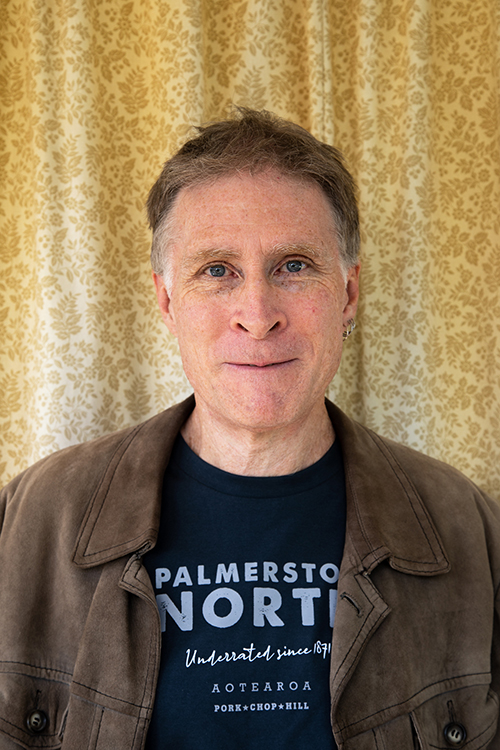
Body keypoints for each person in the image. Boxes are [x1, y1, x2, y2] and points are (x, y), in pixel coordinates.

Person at [0, 108, 499, 750]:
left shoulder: (467, 531)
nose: (258, 316)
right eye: (217, 270)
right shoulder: (29, 524)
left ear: (348, 294)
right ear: (167, 300)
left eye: (294, 265)